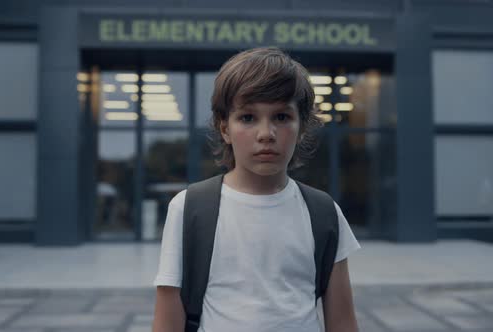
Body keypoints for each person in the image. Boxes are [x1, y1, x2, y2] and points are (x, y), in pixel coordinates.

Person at [151, 47, 361, 332]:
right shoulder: (189, 208)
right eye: (248, 118)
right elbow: (167, 320)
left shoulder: (323, 213)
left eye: (282, 117)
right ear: (224, 127)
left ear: (301, 127)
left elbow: (343, 322)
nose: (266, 134)